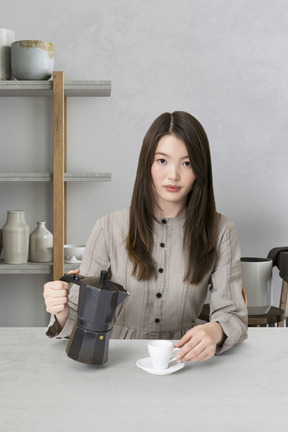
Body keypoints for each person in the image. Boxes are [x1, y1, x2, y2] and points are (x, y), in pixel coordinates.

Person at [44, 111, 248, 363]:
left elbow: (234, 316)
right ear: (147, 165)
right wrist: (61, 309)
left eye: (187, 163)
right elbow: (79, 317)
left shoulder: (221, 230)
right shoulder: (108, 228)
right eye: (162, 160)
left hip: (183, 359)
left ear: (200, 169)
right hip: (116, 357)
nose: (173, 175)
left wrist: (214, 330)